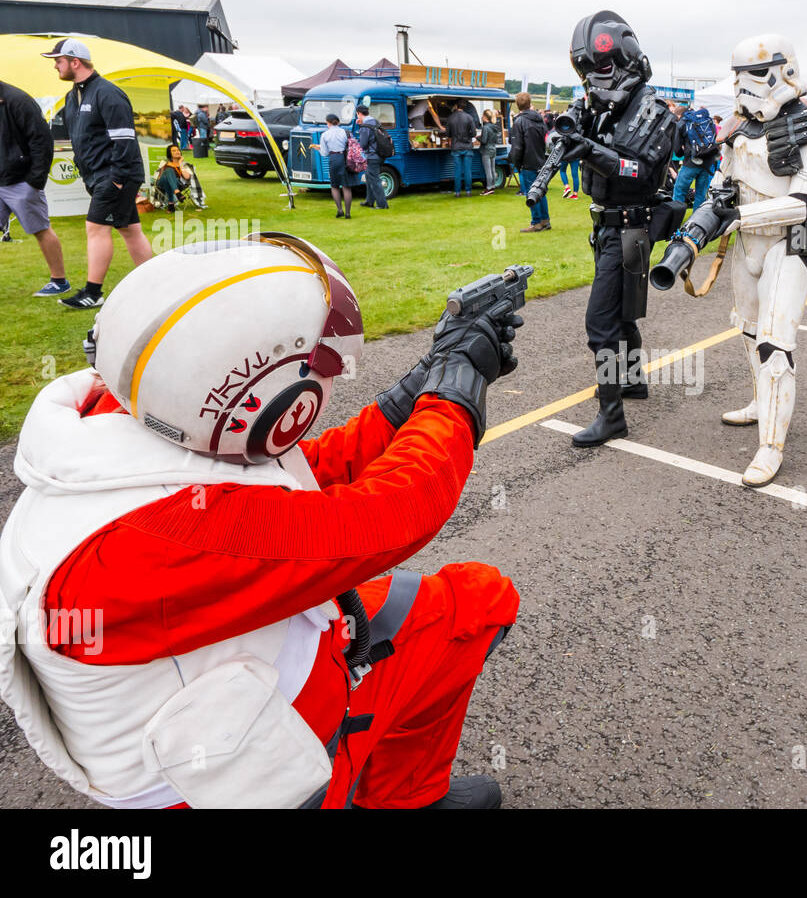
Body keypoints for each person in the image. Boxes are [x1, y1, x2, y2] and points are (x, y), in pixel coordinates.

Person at [0, 233, 523, 809]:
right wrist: (455, 391)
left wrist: (419, 386)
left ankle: (407, 793)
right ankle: (401, 796)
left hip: (215, 701)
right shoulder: (171, 538)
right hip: (239, 772)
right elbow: (393, 512)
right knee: (476, 603)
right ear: (264, 393)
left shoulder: (119, 423)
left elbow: (296, 476)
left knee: (432, 604)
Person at [700, 34, 807, 487]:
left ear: (786, 71)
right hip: (746, 242)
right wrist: (708, 213)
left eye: (755, 74)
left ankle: (771, 445)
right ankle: (763, 401)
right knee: (745, 326)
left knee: (774, 343)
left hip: (789, 240)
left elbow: (803, 201)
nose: (746, 85)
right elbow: (724, 179)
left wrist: (735, 215)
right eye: (740, 76)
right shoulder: (737, 125)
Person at [559, 10, 681, 447]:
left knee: (601, 321)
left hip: (632, 224)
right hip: (607, 224)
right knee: (623, 312)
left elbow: (636, 169)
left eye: (602, 67)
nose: (595, 79)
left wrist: (588, 149)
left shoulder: (654, 110)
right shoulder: (603, 108)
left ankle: (612, 417)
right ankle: (631, 380)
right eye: (588, 70)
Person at [42, 38, 152, 309]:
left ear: (74, 61)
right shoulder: (71, 96)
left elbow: (125, 141)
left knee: (95, 227)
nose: (55, 66)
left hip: (117, 173)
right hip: (99, 176)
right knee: (129, 229)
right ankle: (156, 282)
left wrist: (116, 178)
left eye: (58, 60)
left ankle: (93, 292)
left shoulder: (108, 93)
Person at [0, 78, 70, 297]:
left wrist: (35, 182)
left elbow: (42, 140)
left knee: (40, 229)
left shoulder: (18, 100)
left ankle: (59, 281)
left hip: (22, 180)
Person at [507, 91, 549, 231]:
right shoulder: (539, 119)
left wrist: (516, 163)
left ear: (518, 105)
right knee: (541, 192)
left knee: (532, 194)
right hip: (540, 160)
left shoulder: (519, 121)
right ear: (530, 103)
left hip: (527, 162)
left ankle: (536, 222)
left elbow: (517, 146)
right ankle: (545, 220)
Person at [311, 113, 352, 218]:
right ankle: (348, 213)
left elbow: (324, 153)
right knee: (346, 187)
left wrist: (318, 148)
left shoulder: (325, 135)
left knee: (334, 186)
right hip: (344, 158)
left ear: (327, 123)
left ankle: (340, 210)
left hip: (333, 159)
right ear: (338, 122)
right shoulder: (345, 132)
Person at [152, 143, 206, 211]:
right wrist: (167, 174)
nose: (177, 152)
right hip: (161, 184)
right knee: (168, 171)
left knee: (167, 180)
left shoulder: (184, 165)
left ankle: (171, 203)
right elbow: (159, 177)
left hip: (177, 185)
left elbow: (187, 177)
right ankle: (177, 193)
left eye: (178, 150)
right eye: (174, 151)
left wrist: (180, 163)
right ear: (170, 154)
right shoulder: (164, 163)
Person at [354, 105, 388, 210]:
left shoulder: (365, 126)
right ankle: (369, 201)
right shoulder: (375, 122)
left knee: (374, 180)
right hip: (380, 154)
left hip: (372, 156)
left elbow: (363, 144)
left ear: (359, 113)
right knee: (369, 177)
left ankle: (382, 204)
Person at [447, 100, 478, 198]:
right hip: (467, 146)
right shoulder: (469, 117)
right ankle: (468, 191)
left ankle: (457, 192)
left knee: (457, 170)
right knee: (467, 170)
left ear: (456, 106)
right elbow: (474, 133)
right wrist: (467, 136)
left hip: (456, 147)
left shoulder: (451, 118)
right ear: (464, 107)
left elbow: (447, 133)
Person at [478, 108, 501, 195]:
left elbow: (483, 140)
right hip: (493, 149)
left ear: (485, 117)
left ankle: (489, 188)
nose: (481, 117)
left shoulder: (485, 127)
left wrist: (477, 138)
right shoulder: (495, 127)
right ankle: (492, 186)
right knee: (492, 169)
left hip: (486, 150)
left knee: (488, 171)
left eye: (483, 116)